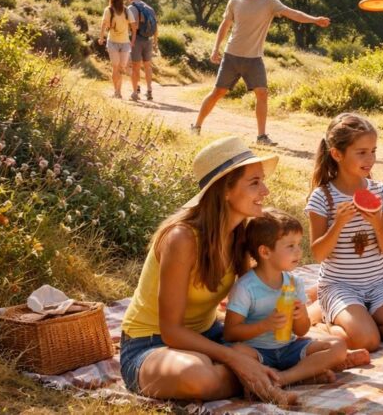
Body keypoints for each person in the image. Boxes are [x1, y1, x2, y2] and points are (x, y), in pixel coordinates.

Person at [119, 136, 294, 405]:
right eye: (254, 182)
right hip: (150, 345)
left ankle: (257, 374)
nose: (266, 191)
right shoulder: (182, 239)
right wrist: (234, 357)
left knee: (276, 348)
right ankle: (266, 377)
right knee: (198, 375)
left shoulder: (239, 236)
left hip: (209, 335)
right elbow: (171, 331)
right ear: (225, 190)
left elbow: (251, 295)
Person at [305, 113, 383, 350]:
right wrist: (337, 224)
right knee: (367, 342)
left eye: (373, 151)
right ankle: (321, 324)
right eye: (361, 152)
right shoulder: (323, 197)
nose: (370, 159)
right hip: (339, 286)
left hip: (377, 284)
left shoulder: (382, 192)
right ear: (337, 154)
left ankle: (362, 322)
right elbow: (318, 254)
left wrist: (377, 223)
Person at [223, 209, 370, 384]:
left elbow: (302, 331)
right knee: (236, 353)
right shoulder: (246, 287)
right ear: (265, 252)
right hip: (256, 351)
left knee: (337, 346)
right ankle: (303, 375)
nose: (299, 252)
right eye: (290, 246)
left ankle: (283, 378)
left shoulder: (294, 283)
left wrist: (300, 317)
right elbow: (230, 333)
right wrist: (264, 325)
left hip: (289, 348)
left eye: (299, 245)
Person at [192, 0, 330, 146]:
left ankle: (261, 137)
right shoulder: (235, 1)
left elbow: (292, 13)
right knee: (218, 92)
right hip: (232, 55)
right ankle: (196, 126)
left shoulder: (270, 2)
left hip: (254, 58)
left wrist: (314, 20)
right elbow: (225, 25)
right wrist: (215, 48)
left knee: (262, 93)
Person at [98, 0, 136, 99]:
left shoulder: (127, 11)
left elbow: (134, 28)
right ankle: (117, 92)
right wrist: (101, 37)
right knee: (115, 66)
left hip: (125, 43)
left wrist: (132, 41)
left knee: (121, 67)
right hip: (112, 42)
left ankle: (118, 90)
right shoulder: (108, 10)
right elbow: (104, 25)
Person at [126, 0, 158, 102]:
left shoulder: (131, 8)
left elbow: (132, 26)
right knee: (148, 66)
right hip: (148, 39)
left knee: (135, 66)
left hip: (137, 39)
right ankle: (149, 91)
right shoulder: (149, 8)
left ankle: (136, 91)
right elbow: (156, 26)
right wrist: (155, 42)